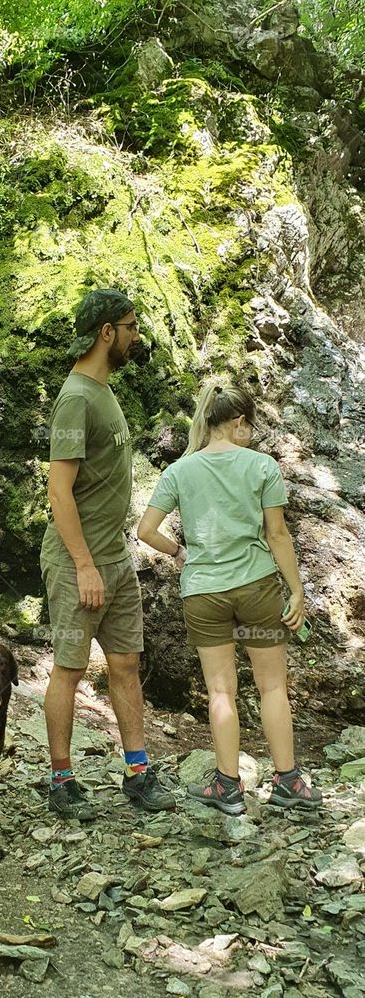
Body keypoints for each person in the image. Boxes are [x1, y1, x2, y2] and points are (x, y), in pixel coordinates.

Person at [137, 378, 322, 815]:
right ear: (239, 422)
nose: (251, 435)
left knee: (221, 692)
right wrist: (296, 590)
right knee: (273, 685)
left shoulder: (180, 470)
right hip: (257, 588)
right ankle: (289, 782)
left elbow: (145, 531)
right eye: (249, 426)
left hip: (204, 593)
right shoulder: (262, 467)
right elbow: (276, 534)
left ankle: (227, 787)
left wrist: (180, 552)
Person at [40, 288, 176, 820]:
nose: (136, 336)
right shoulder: (75, 399)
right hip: (81, 564)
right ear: (106, 333)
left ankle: (138, 773)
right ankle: (61, 779)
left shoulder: (103, 391)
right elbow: (58, 493)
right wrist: (84, 564)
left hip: (114, 560)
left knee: (126, 663)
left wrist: (107, 559)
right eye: (131, 326)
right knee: (69, 669)